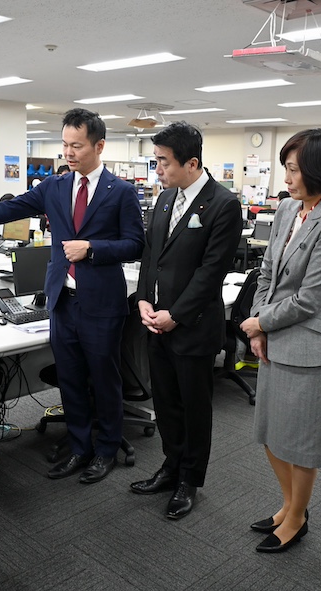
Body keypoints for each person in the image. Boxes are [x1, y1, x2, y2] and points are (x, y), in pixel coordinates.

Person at [0, 108, 144, 484]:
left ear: (99, 145)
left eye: (77, 146)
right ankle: (80, 446)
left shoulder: (122, 192)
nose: (68, 152)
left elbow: (136, 244)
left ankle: (106, 449)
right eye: (64, 144)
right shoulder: (55, 186)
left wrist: (93, 249)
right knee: (70, 377)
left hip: (102, 303)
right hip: (63, 301)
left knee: (103, 379)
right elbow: (7, 208)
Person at [239, 129, 321, 553]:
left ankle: (297, 517)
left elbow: (309, 299)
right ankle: (288, 505)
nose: (285, 178)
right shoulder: (287, 209)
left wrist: (261, 324)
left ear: (317, 171)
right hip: (272, 335)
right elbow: (267, 271)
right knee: (270, 433)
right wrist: (258, 321)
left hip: (306, 345)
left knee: (299, 442)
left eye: (292, 169)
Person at [132, 122, 242, 519]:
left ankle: (190, 480)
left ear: (192, 162)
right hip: (155, 323)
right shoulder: (164, 199)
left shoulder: (223, 203)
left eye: (163, 162)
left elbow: (212, 271)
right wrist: (144, 299)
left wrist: (175, 316)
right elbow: (151, 256)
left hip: (191, 327)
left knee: (194, 408)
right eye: (156, 160)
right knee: (166, 402)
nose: (157, 169)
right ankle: (170, 465)